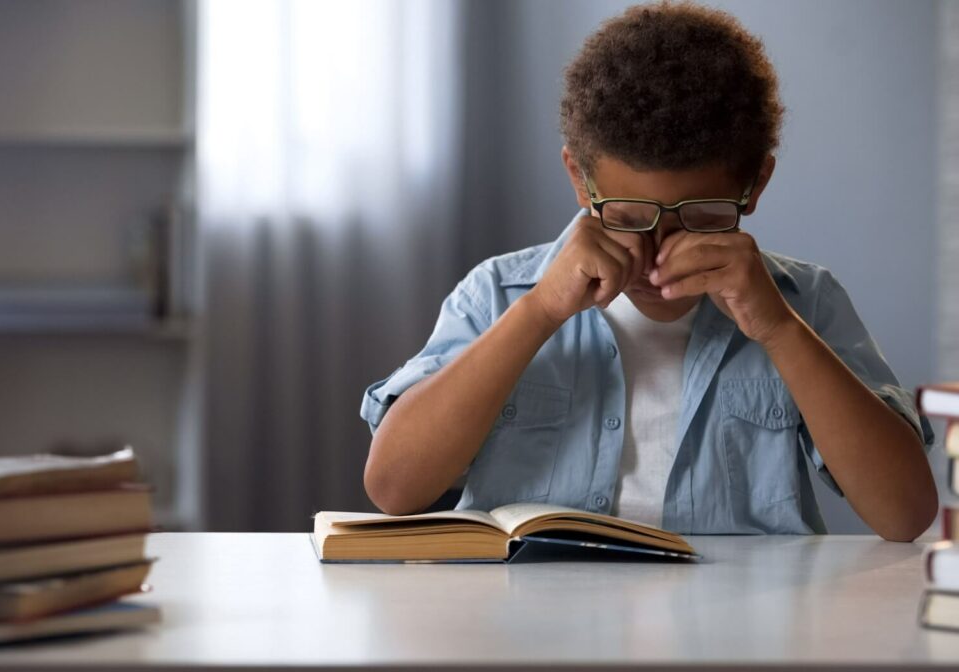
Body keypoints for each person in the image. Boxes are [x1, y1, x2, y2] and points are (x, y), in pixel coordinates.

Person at [359, 1, 937, 540]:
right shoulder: (499, 293)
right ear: (579, 181)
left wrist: (780, 331)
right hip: (533, 632)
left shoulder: (801, 303)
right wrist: (539, 312)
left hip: (742, 636)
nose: (658, 252)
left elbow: (904, 514)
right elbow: (394, 488)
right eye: (629, 217)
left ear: (754, 185)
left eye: (701, 219)